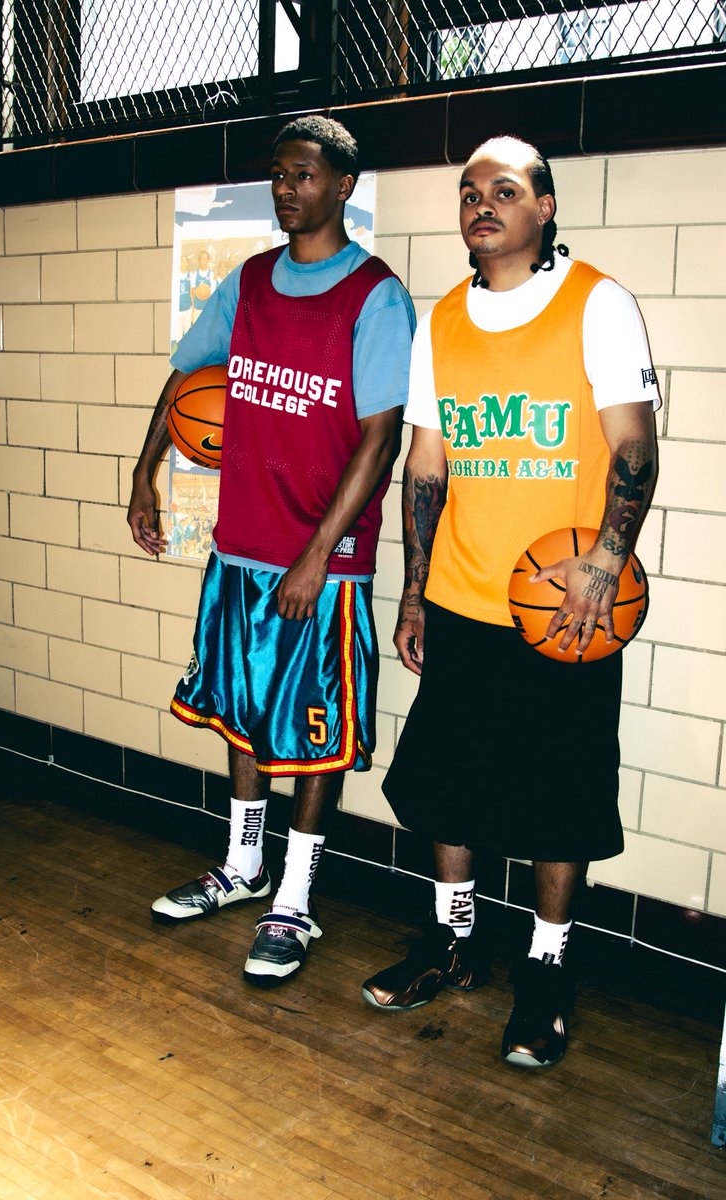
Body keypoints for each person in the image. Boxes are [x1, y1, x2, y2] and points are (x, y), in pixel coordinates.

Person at [361, 135, 659, 1068]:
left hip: (560, 614)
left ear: (545, 208)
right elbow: (426, 466)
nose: (480, 204)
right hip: (459, 601)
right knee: (449, 795)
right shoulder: (441, 320)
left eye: (504, 190)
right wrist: (414, 594)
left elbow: (634, 450)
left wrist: (607, 563)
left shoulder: (598, 304)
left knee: (556, 805)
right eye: (468, 192)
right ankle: (454, 947)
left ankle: (546, 970)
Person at [127, 116, 415, 987]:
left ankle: (294, 897)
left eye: (302, 174)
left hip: (319, 566)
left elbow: (381, 440)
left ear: (342, 188)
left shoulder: (376, 295)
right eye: (278, 175)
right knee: (241, 712)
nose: (287, 187)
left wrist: (319, 554)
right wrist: (146, 472)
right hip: (242, 549)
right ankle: (243, 866)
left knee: (313, 734)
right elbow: (187, 382)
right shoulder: (248, 283)